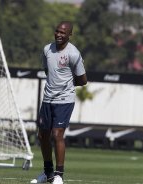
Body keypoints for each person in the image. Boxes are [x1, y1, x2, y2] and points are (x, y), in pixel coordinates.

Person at [31, 21, 87, 184]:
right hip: (48, 99)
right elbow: (48, 71)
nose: (59, 35)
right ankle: (47, 173)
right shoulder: (47, 49)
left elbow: (83, 80)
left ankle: (59, 175)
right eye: (57, 31)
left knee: (57, 135)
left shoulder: (74, 53)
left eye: (63, 32)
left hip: (65, 100)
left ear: (70, 35)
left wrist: (67, 85)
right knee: (43, 136)